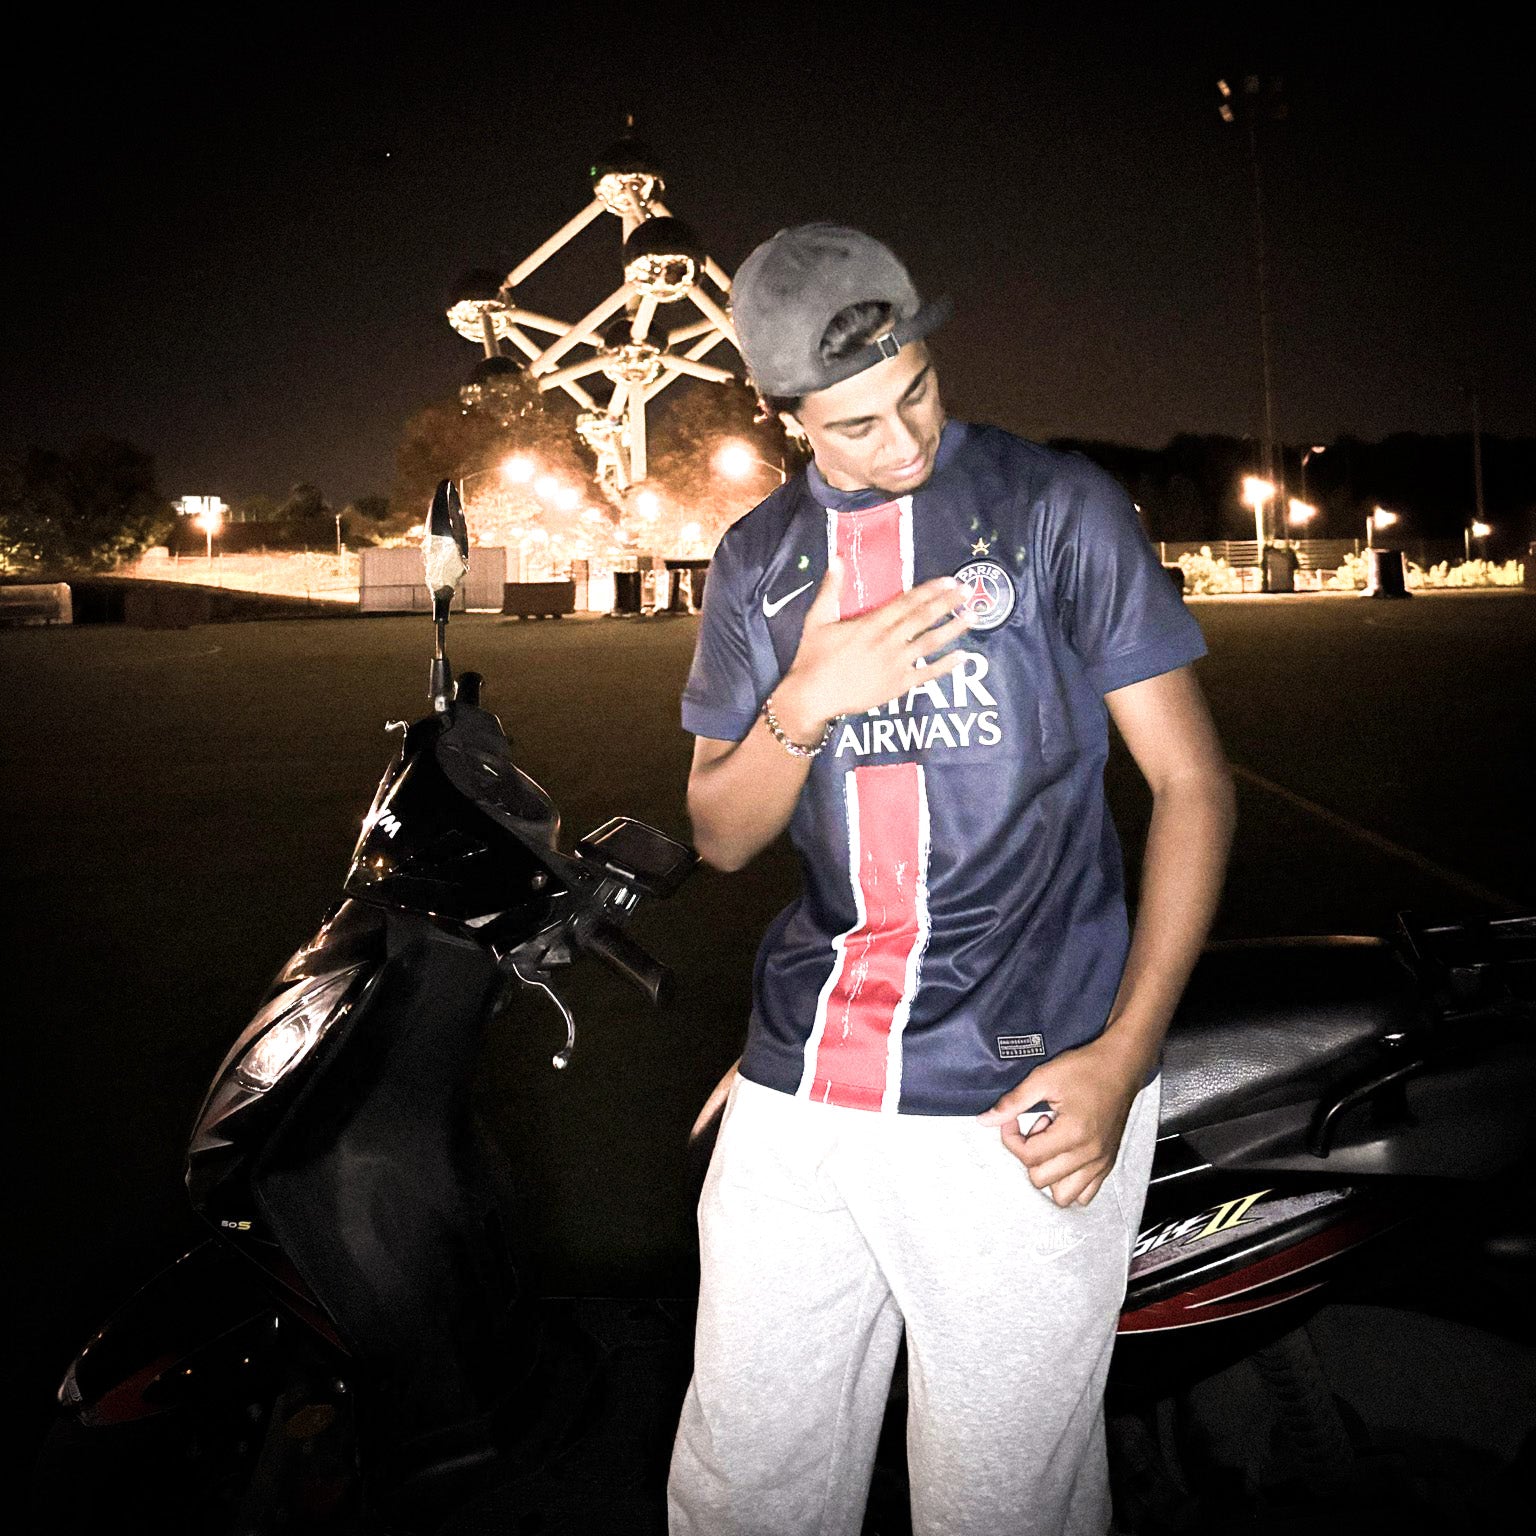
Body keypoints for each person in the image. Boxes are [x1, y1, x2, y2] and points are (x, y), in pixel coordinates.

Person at [667, 223, 1235, 1536]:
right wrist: (809, 700)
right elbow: (721, 834)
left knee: (1000, 1509)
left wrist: (1124, 1057)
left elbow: (1194, 787)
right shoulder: (757, 558)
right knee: (741, 1492)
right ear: (784, 415)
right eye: (855, 424)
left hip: (1016, 1092)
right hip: (804, 1082)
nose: (904, 440)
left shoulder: (1056, 507)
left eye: (917, 390)